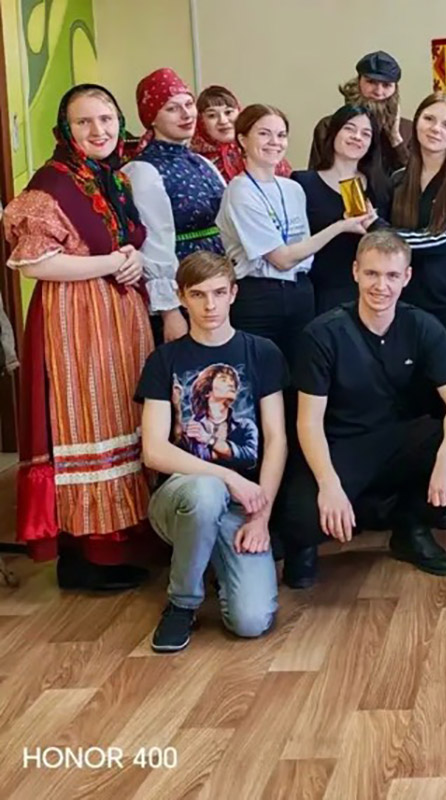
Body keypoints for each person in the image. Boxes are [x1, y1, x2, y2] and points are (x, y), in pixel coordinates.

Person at [3, 84, 153, 589]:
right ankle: (85, 555)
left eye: (106, 119)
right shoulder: (52, 183)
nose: (99, 130)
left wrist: (132, 260)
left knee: (122, 414)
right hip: (76, 320)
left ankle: (118, 540)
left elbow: (124, 242)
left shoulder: (113, 178)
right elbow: (35, 263)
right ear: (66, 130)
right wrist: (112, 262)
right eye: (85, 122)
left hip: (119, 317)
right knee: (84, 423)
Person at [277, 231, 446, 588]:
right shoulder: (322, 334)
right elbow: (308, 422)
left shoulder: (423, 325)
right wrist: (328, 484)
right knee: (302, 518)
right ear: (355, 271)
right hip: (339, 445)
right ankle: (309, 541)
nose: (381, 286)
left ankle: (410, 527)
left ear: (407, 277)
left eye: (391, 275)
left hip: (395, 438)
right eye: (372, 273)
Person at [136, 252, 285, 652]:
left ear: (234, 293)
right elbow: (154, 451)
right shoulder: (165, 359)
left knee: (251, 621)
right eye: (198, 295)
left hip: (243, 505)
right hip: (181, 499)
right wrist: (229, 477)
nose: (210, 305)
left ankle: (217, 563)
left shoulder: (262, 352)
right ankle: (182, 604)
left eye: (219, 293)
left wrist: (261, 517)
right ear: (181, 297)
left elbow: (276, 439)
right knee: (207, 490)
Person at [216, 104, 375, 366]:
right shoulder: (240, 190)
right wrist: (340, 226)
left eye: (281, 135)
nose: (274, 142)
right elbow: (282, 259)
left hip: (300, 292)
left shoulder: (293, 188)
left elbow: (301, 248)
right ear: (243, 139)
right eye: (264, 134)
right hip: (259, 296)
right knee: (261, 374)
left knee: (302, 374)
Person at [383, 92, 446, 414]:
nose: (436, 129)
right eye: (429, 119)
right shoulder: (398, 180)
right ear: (416, 123)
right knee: (414, 401)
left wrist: (381, 232)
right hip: (407, 306)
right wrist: (377, 231)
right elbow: (380, 242)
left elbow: (443, 239)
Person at [123, 68, 229, 346]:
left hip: (216, 287)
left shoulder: (202, 162)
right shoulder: (144, 170)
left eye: (189, 104)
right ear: (152, 118)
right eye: (172, 108)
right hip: (184, 292)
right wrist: (170, 311)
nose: (186, 114)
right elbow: (153, 242)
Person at [292, 105, 390, 313]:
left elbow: (390, 241)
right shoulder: (303, 182)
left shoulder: (380, 186)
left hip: (369, 292)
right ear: (334, 132)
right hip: (318, 291)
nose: (357, 137)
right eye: (349, 128)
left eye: (366, 134)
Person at [309, 51, 412, 174]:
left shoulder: (409, 130)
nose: (378, 92)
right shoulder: (327, 127)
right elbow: (315, 178)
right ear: (358, 82)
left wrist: (396, 140)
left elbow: (416, 180)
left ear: (395, 89)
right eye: (371, 82)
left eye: (386, 85)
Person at [191, 85, 293, 182]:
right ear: (201, 121)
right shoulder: (195, 163)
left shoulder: (259, 150)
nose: (223, 121)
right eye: (212, 115)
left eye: (228, 112)